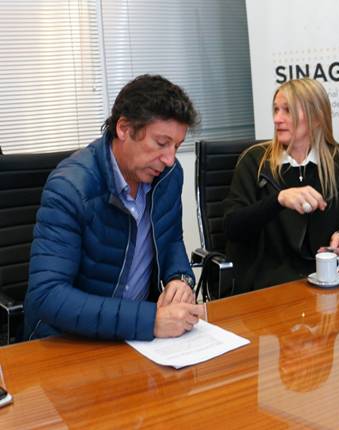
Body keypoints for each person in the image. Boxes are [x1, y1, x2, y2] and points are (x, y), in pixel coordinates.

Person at [24, 74, 204, 341]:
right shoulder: (70, 187)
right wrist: (149, 321)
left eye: (176, 146)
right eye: (161, 143)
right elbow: (48, 295)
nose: (169, 159)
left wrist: (179, 278)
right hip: (71, 340)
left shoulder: (168, 175)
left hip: (138, 339)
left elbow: (171, 239)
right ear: (124, 128)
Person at [223, 78, 339, 293]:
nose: (277, 119)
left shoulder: (337, 157)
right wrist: (278, 200)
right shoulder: (254, 161)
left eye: (287, 110)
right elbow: (232, 227)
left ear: (316, 118)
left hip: (326, 277)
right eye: (276, 109)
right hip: (269, 284)